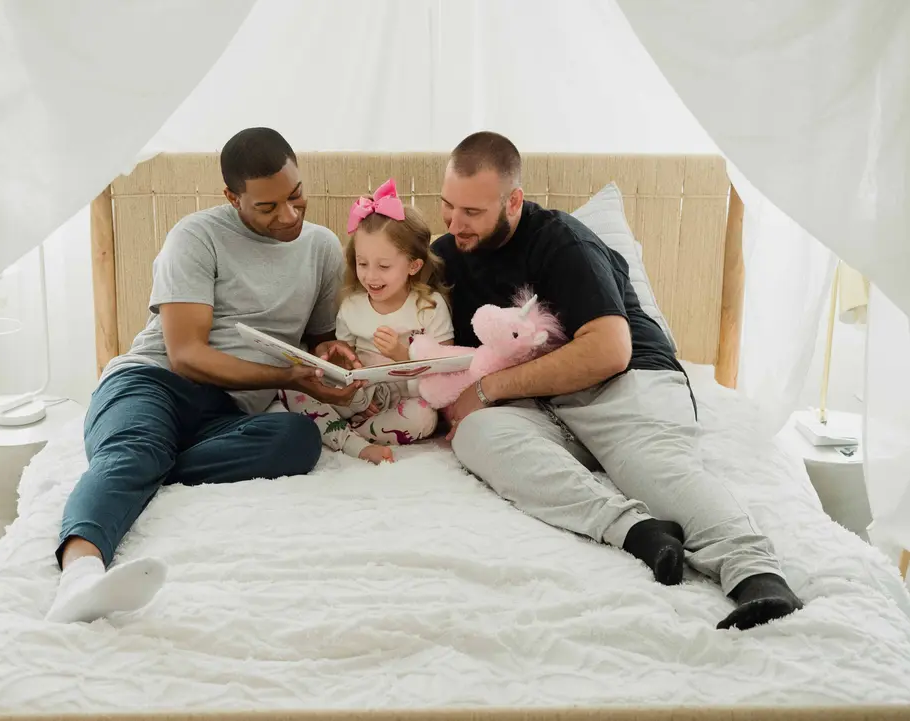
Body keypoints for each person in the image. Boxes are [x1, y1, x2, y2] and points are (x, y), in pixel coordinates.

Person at [434, 131, 804, 631]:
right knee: (479, 438)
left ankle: (757, 574)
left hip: (624, 384)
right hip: (543, 406)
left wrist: (488, 390)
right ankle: (638, 531)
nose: (456, 224)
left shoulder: (563, 242)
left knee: (655, 469)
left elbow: (609, 350)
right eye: (447, 206)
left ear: (514, 201)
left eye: (472, 213)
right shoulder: (448, 255)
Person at [46, 127, 363, 624]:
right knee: (133, 450)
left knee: (297, 440)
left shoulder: (321, 248)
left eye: (295, 196)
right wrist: (291, 377)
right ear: (232, 198)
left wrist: (330, 353)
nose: (289, 214)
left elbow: (315, 338)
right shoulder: (197, 236)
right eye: (267, 207)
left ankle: (151, 463)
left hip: (231, 411)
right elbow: (186, 356)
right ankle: (79, 579)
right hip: (153, 383)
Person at [280, 178, 451, 465]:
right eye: (362, 263)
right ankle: (353, 438)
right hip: (358, 396)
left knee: (425, 416)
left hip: (403, 402)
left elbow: (445, 374)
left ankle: (348, 437)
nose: (371, 276)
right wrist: (341, 366)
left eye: (383, 266)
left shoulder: (430, 307)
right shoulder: (352, 305)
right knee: (290, 385)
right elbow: (344, 363)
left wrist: (401, 355)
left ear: (413, 265)